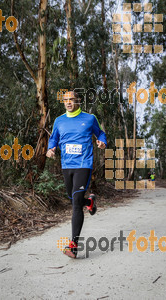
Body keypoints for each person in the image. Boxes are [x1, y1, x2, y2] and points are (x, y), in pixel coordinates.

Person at [46, 91, 107, 258]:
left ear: (78, 100)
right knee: (74, 199)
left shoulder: (89, 118)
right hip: (66, 165)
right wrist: (51, 148)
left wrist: (102, 142)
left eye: (71, 99)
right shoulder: (59, 121)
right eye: (65, 100)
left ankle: (73, 245)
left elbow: (100, 133)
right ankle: (90, 201)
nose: (68, 102)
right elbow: (53, 138)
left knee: (75, 203)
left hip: (83, 164)